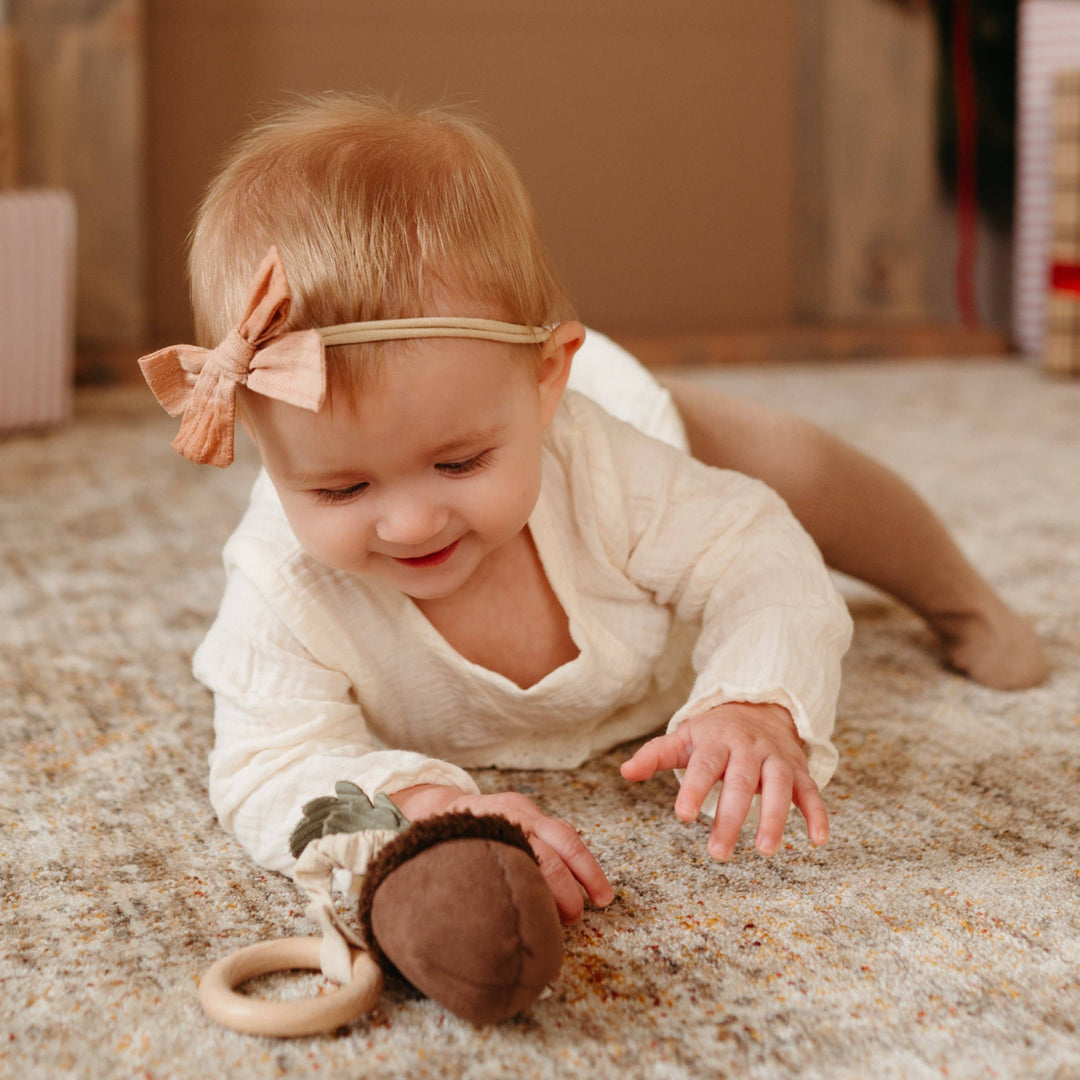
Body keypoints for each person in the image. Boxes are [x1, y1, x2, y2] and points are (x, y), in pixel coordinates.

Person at [140, 94, 1045, 926]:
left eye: (458, 462)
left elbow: (757, 555)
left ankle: (962, 596)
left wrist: (758, 702)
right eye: (340, 488)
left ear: (543, 379)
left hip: (632, 428)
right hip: (518, 447)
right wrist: (422, 813)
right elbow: (267, 766)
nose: (410, 523)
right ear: (261, 439)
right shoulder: (280, 579)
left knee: (793, 469)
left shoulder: (597, 463)